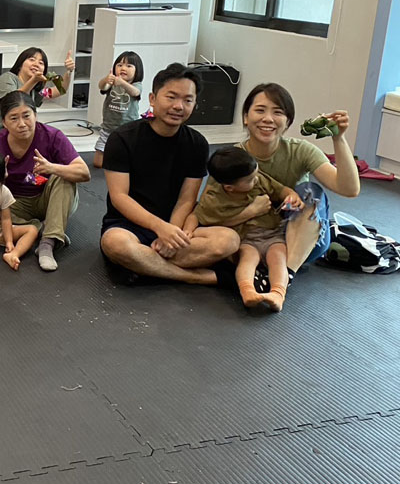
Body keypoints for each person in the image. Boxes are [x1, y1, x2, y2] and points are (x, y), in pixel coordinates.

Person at [100, 63, 241, 284]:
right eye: (171, 97)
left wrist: (171, 232)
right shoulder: (122, 138)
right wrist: (159, 227)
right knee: (115, 244)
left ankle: (147, 265)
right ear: (153, 99)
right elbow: (120, 197)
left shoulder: (197, 144)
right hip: (129, 224)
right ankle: (194, 277)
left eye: (187, 100)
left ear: (195, 104)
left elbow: (187, 199)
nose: (178, 106)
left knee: (229, 240)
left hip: (177, 224)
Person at [238, 82, 360, 278]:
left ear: (288, 122)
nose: (268, 119)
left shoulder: (300, 150)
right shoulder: (232, 158)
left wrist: (338, 139)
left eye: (277, 112)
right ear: (246, 117)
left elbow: (349, 189)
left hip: (301, 243)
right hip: (251, 240)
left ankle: (285, 274)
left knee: (311, 191)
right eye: (260, 110)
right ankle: (271, 272)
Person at [187, 147, 303, 311]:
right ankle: (247, 291)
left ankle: (278, 294)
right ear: (229, 187)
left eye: (256, 174)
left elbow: (280, 190)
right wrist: (187, 232)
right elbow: (197, 215)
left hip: (272, 234)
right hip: (245, 239)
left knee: (278, 258)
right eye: (250, 179)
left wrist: (292, 196)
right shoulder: (214, 199)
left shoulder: (258, 179)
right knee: (247, 260)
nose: (256, 179)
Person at [0, 92, 90, 272]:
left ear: (35, 115)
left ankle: (48, 243)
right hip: (15, 203)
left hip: (49, 198)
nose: (22, 124)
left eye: (26, 116)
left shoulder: (52, 136)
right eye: (14, 118)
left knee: (63, 177)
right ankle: (40, 228)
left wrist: (52, 168)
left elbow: (84, 172)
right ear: (4, 123)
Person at [0, 47, 75, 150]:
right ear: (20, 64)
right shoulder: (7, 78)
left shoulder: (34, 91)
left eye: (41, 63)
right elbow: (12, 101)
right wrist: (33, 80)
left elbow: (61, 90)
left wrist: (69, 71)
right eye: (32, 59)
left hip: (12, 141)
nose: (36, 64)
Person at [93, 51, 143, 169]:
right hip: (108, 128)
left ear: (137, 71)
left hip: (128, 130)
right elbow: (102, 87)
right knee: (98, 163)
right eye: (119, 65)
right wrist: (106, 80)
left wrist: (122, 83)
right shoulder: (112, 83)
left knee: (130, 159)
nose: (123, 68)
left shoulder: (136, 85)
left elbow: (135, 92)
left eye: (129, 66)